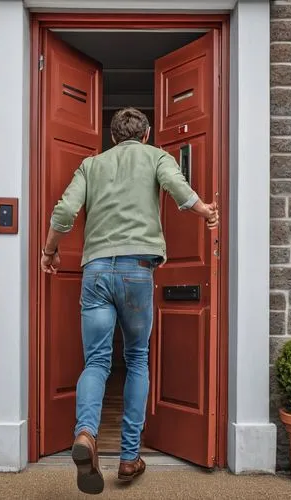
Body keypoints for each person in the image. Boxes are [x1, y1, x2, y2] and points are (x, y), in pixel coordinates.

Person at [40, 107, 219, 495]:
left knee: (97, 361)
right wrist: (204, 210)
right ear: (147, 133)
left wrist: (50, 250)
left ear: (112, 137)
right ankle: (128, 457)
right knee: (136, 358)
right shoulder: (157, 156)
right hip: (139, 269)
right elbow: (178, 189)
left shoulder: (91, 164)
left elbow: (66, 209)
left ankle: (85, 435)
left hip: (96, 272)